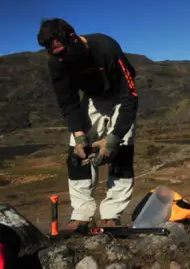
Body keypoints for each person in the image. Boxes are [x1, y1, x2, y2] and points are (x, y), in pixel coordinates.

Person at [37, 18, 139, 229]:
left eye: (62, 52)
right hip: (93, 98)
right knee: (77, 153)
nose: (60, 59)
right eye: (54, 55)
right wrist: (79, 135)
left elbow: (130, 95)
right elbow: (68, 102)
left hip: (121, 96)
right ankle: (82, 214)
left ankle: (112, 214)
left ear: (73, 38)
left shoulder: (106, 47)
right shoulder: (56, 62)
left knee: (122, 152)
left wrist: (113, 139)